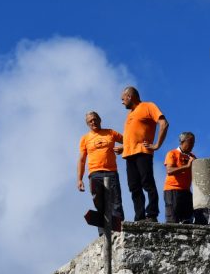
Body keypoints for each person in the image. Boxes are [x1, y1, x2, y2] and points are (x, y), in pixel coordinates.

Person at [120, 86, 169, 222]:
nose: (122, 102)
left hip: (143, 152)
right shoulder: (130, 114)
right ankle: (140, 217)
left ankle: (152, 214)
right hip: (129, 154)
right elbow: (133, 135)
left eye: (123, 99)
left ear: (129, 96)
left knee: (147, 183)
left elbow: (164, 123)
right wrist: (123, 148)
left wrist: (157, 145)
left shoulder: (148, 106)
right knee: (134, 187)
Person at [77, 110, 125, 226]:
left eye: (95, 119)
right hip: (94, 173)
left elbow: (128, 141)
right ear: (87, 124)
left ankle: (118, 229)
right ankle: (103, 232)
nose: (93, 122)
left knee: (116, 202)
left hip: (111, 172)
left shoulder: (110, 133)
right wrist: (79, 179)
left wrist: (123, 147)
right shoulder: (85, 139)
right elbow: (82, 160)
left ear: (99, 120)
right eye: (90, 121)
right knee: (99, 202)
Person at [164, 132, 201, 224]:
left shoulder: (192, 156)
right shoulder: (172, 153)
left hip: (186, 191)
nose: (192, 145)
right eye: (190, 142)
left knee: (187, 220)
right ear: (182, 142)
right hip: (173, 190)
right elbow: (169, 170)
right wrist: (187, 166)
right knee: (173, 220)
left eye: (193, 142)